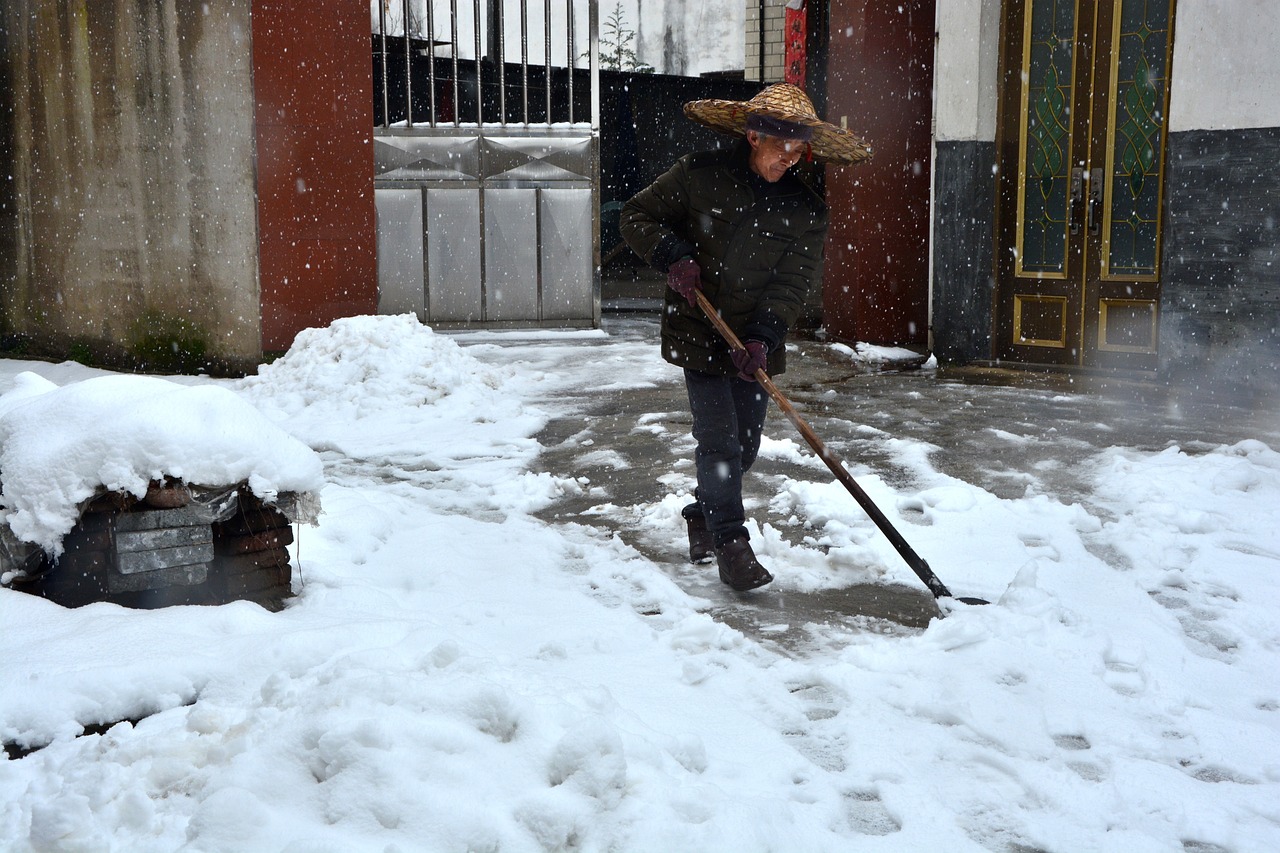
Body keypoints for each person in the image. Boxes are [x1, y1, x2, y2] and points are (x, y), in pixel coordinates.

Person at [620, 82, 871, 592]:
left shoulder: (806, 209)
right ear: (755, 135)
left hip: (754, 341)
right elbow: (635, 217)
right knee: (717, 441)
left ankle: (700, 512)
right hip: (699, 327)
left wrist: (764, 335)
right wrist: (672, 255)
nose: (794, 157)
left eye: (801, 147)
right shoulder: (698, 176)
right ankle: (732, 547)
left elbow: (793, 281)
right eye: (785, 145)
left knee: (745, 445)